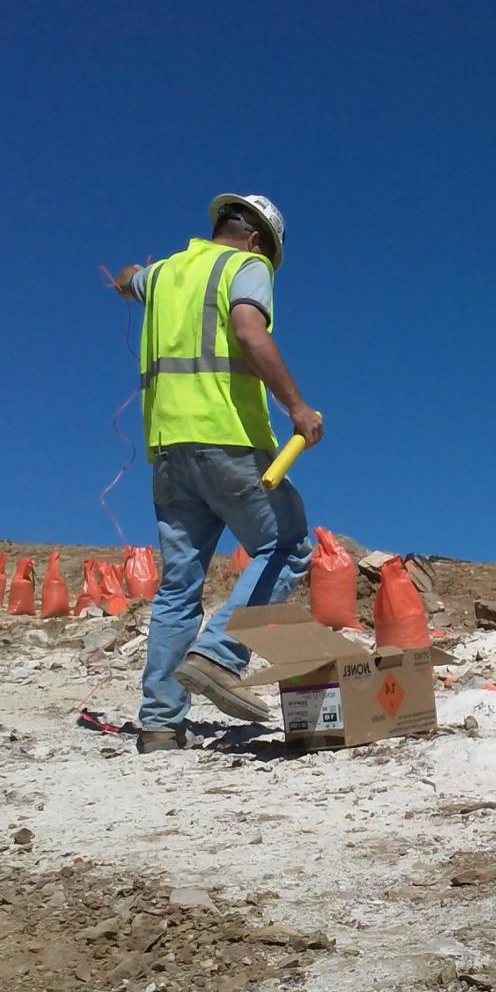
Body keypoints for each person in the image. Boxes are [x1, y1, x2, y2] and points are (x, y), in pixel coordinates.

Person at [112, 194, 326, 754]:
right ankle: (219, 655)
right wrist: (297, 408)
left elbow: (132, 276)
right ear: (259, 240)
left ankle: (160, 725)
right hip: (226, 437)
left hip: (167, 448)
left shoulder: (164, 274)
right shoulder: (245, 267)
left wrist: (127, 279)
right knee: (288, 541)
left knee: (179, 586)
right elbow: (250, 331)